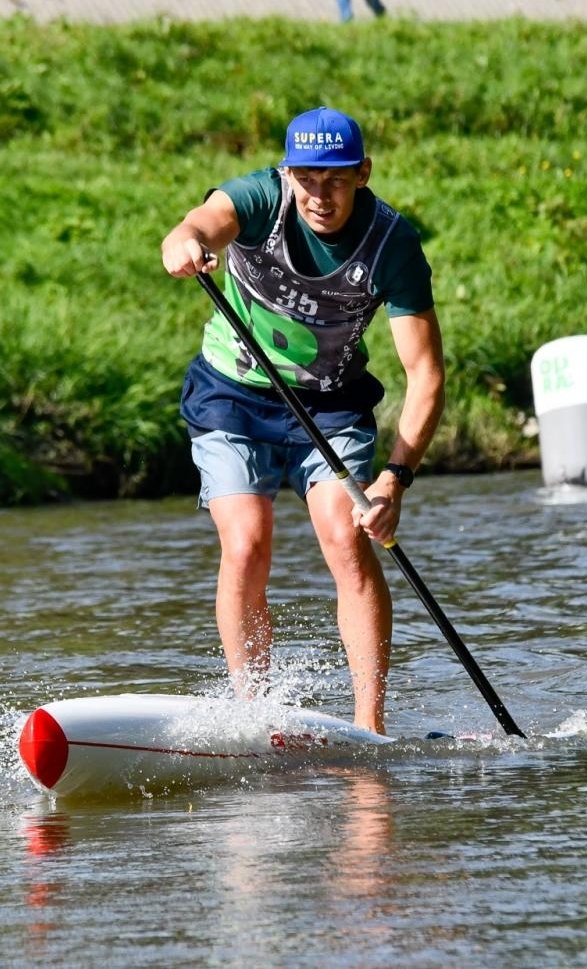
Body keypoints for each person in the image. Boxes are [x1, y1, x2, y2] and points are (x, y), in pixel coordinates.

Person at [159, 106, 444, 734]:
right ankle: (254, 717)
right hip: (231, 395)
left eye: (337, 179)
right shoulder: (262, 197)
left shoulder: (393, 242)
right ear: (288, 174)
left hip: (331, 403)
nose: (320, 195)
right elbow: (201, 222)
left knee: (348, 538)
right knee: (247, 542)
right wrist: (186, 243)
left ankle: (371, 727)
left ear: (363, 173)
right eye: (307, 178)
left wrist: (395, 479)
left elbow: (425, 376)